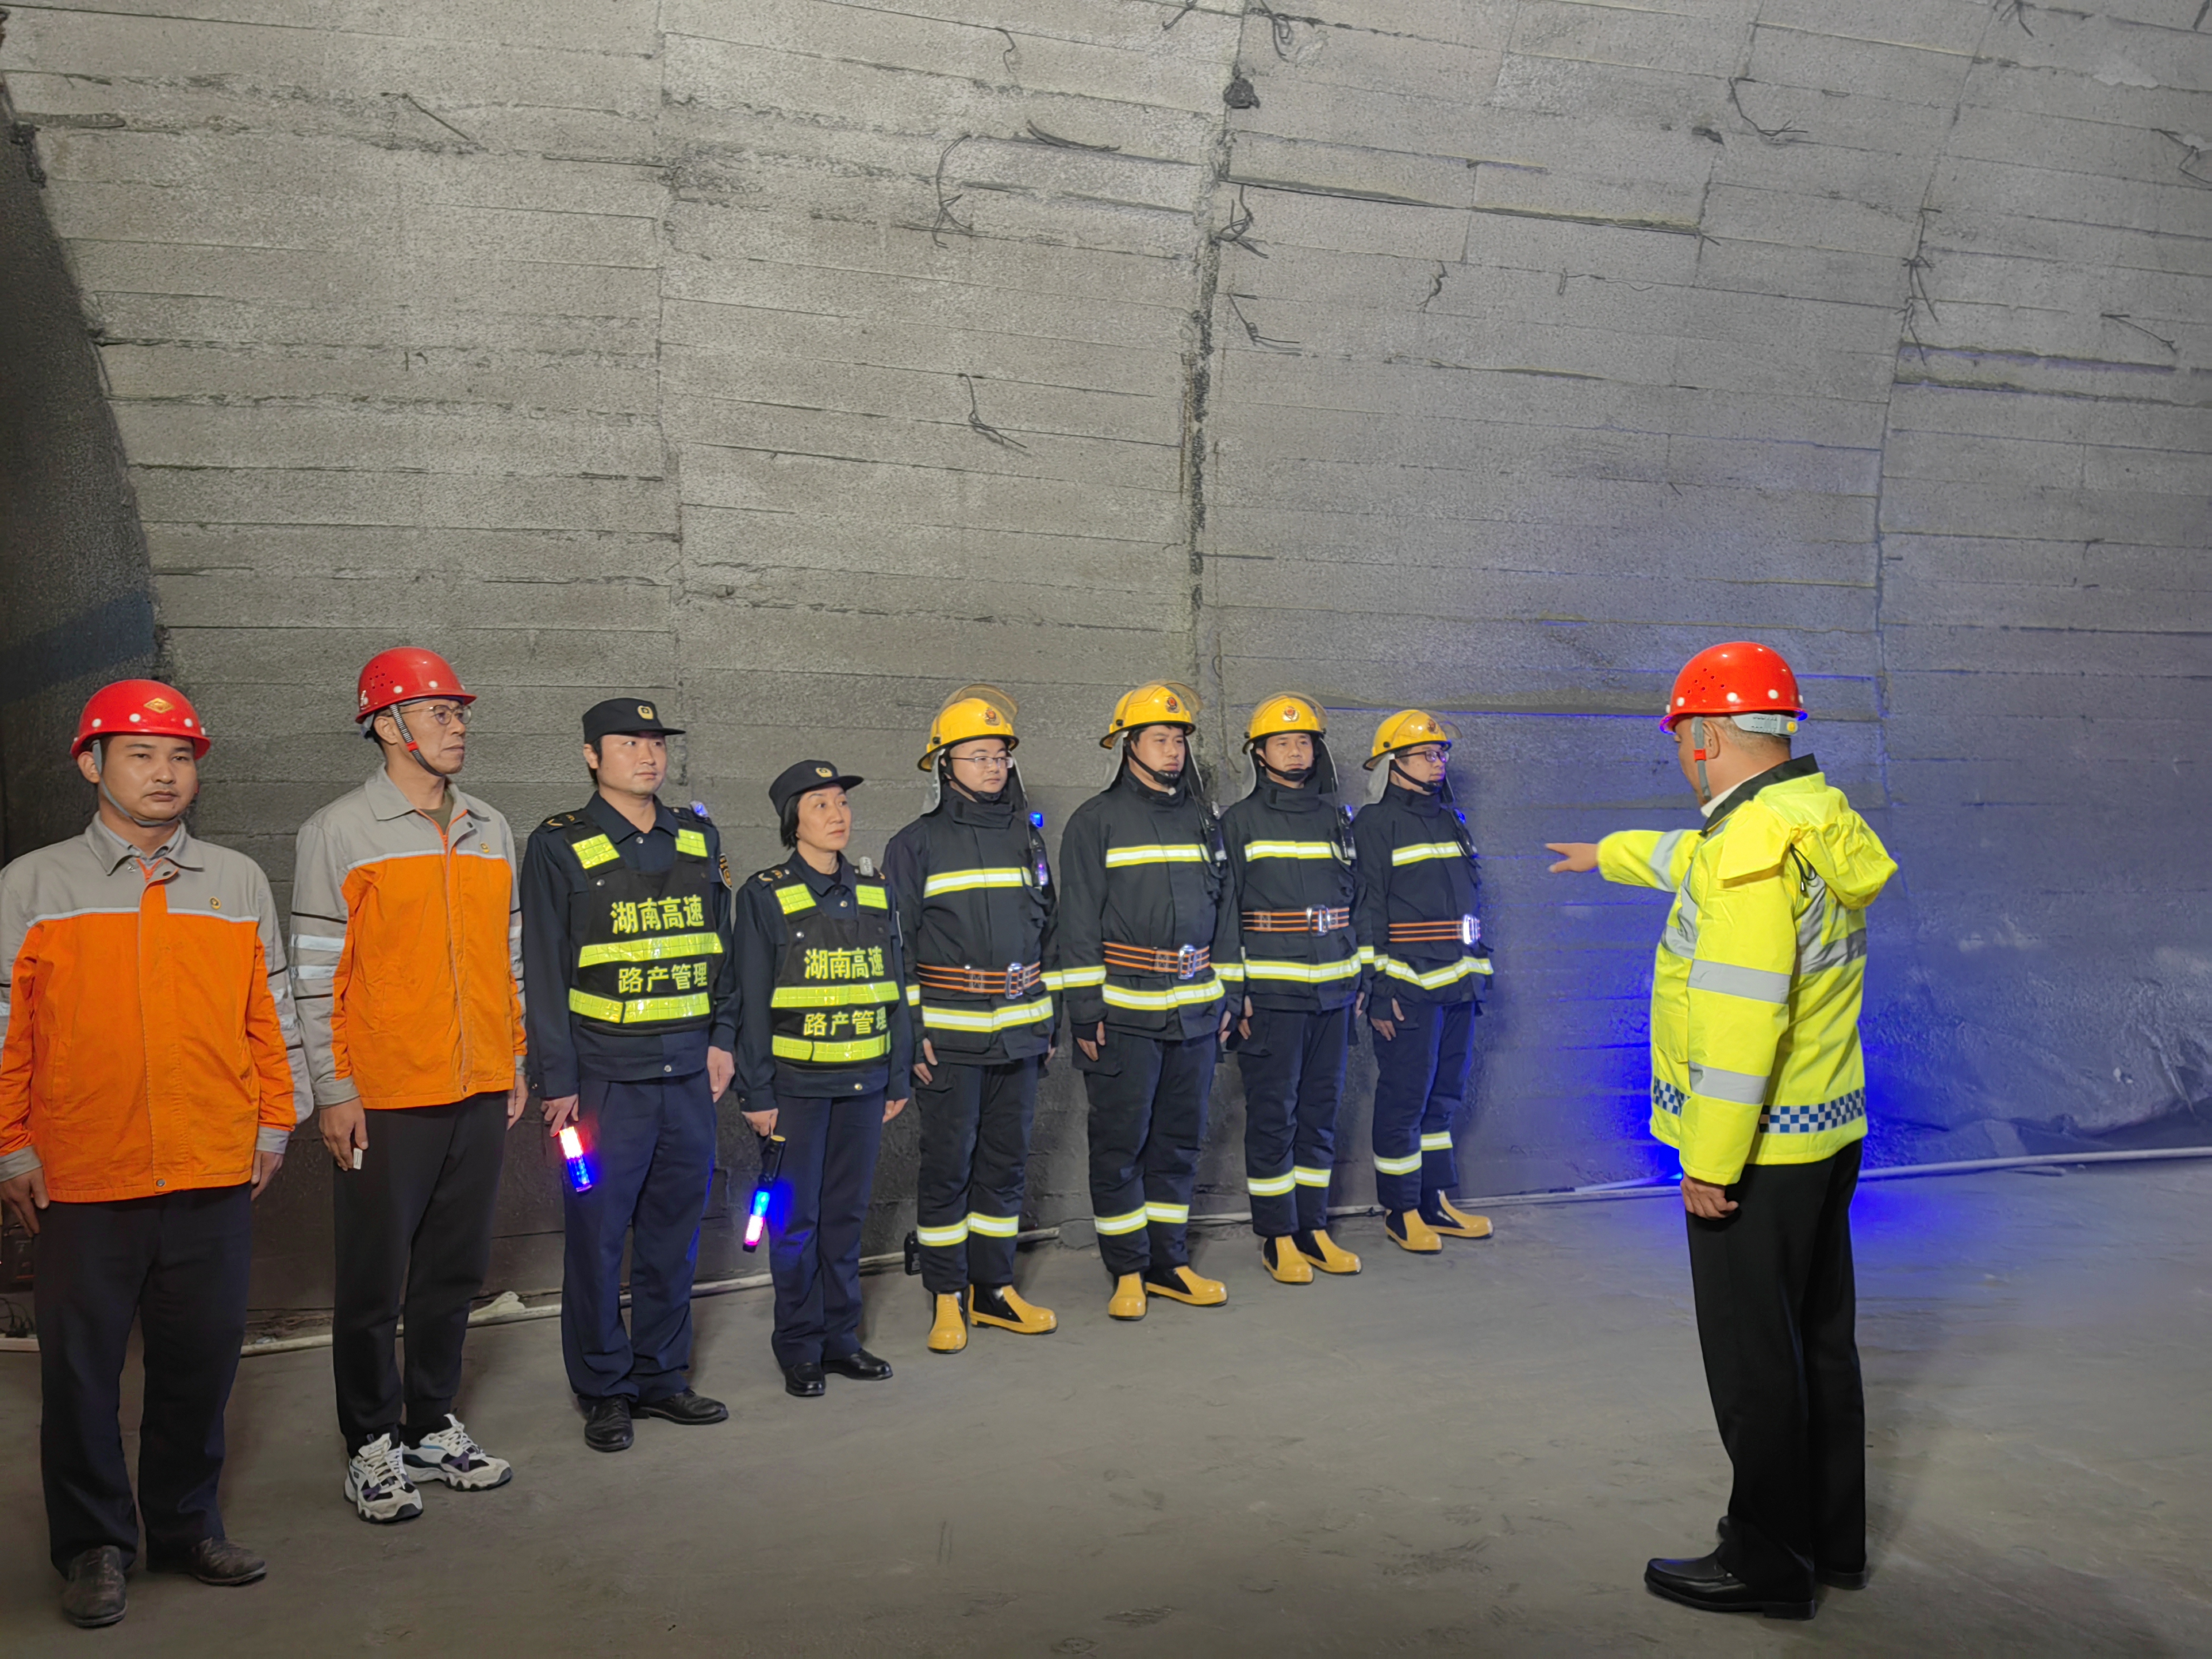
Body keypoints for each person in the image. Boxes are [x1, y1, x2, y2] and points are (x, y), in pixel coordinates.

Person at [1546, 640, 1896, 1620]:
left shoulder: (1749, 848)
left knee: (1753, 1362)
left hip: (1756, 1151)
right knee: (1819, 1342)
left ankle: (1766, 1562)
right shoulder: (1809, 814)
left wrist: (1710, 1161)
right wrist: (1609, 853)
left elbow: (1743, 1018)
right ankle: (1832, 1541)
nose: (1680, 755)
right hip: (1826, 1133)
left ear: (1703, 735)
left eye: (1678, 738)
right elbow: (1695, 857)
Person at [0, 681, 308, 1628]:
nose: (165, 773)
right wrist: (11, 1147)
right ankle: (95, 1546)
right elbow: (6, 1032)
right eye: (140, 754)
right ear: (91, 764)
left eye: (180, 757)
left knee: (199, 1365)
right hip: (84, 1173)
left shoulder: (235, 879)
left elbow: (271, 1012)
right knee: (82, 1376)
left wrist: (275, 1121)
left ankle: (183, 1526)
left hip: (212, 1168)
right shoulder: (33, 885)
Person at [291, 648, 527, 1523]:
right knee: (371, 1282)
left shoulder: (490, 827)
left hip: (479, 1086)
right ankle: (370, 1441)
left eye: (460, 713)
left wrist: (513, 1059)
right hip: (385, 1097)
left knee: (452, 1271)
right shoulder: (338, 831)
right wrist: (334, 1089)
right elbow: (316, 974)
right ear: (387, 726)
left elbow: (507, 959)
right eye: (438, 712)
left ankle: (429, 1423)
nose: (457, 727)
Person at [521, 699, 737, 1453]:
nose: (647, 756)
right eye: (627, 743)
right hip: (602, 1085)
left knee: (674, 1235)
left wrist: (724, 1039)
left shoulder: (698, 837)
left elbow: (720, 949)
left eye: (656, 743)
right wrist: (557, 1080)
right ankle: (604, 1389)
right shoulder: (558, 844)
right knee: (596, 1237)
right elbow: (543, 967)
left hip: (687, 1079)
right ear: (591, 756)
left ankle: (662, 1377)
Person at [884, 689, 1061, 1354]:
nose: (992, 767)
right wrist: (910, 1035)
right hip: (950, 1041)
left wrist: (1048, 1024)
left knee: (1005, 1167)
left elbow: (1049, 934)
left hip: (1020, 1036)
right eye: (977, 756)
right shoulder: (915, 845)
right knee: (948, 1169)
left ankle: (993, 1290)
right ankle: (946, 1295)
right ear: (945, 765)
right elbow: (896, 948)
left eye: (999, 756)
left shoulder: (1026, 838)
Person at [1054, 682, 1238, 1320]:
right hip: (1123, 1013)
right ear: (1128, 745)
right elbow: (1077, 923)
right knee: (1120, 1146)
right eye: (1160, 738)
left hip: (1194, 1011)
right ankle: (1128, 1269)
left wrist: (1228, 994)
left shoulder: (1202, 820)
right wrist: (1085, 1010)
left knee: (1178, 1143)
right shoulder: (1095, 821)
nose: (1173, 750)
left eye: (1179, 739)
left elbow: (1225, 911)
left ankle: (1168, 1263)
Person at [733, 762, 913, 1396]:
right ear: (793, 820)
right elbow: (751, 1000)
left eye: (842, 803)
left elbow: (895, 988)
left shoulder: (875, 890)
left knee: (845, 1218)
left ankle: (842, 1340)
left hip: (864, 1086)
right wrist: (757, 1093)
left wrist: (897, 1077)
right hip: (796, 1093)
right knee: (795, 1224)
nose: (838, 815)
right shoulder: (764, 894)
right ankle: (799, 1345)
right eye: (820, 805)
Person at [1218, 694, 1363, 1284]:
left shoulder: (1335, 819)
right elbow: (1224, 912)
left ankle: (1313, 1228)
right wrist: (1235, 993)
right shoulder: (1238, 822)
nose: (1295, 751)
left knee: (1320, 1114)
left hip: (1333, 992)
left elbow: (1354, 899)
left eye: (1303, 741)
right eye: (1282, 743)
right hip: (1271, 997)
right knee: (1273, 1117)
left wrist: (1356, 976)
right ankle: (1278, 1236)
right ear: (1259, 754)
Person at [1352, 711, 1494, 1253]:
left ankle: (1434, 1202)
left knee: (1443, 1098)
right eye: (1426, 755)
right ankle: (1402, 1209)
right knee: (1405, 1099)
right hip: (1408, 987)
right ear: (1393, 764)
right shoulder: (1374, 824)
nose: (1438, 763)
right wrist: (1378, 991)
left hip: (1459, 983)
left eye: (1441, 754)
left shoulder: (1450, 819)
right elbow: (1368, 909)